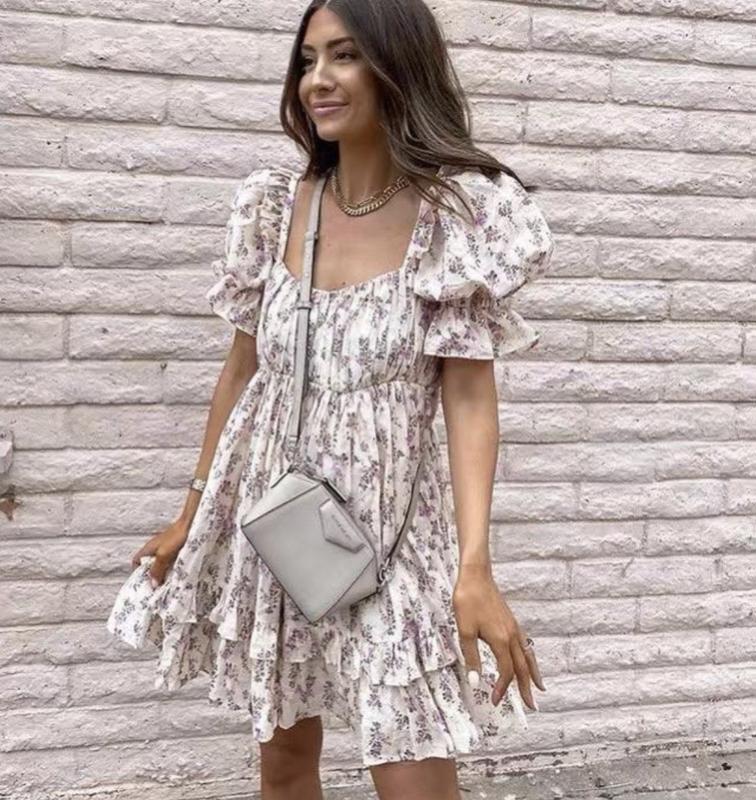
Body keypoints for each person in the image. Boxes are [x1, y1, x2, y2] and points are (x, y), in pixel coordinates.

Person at [106, 0, 554, 797]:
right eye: (307, 60)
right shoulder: (275, 208)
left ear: (396, 65)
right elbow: (242, 373)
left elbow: (469, 399)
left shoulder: (454, 221)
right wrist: (192, 510)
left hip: (392, 540)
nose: (318, 79)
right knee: (284, 766)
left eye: (344, 56)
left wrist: (475, 568)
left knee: (411, 773)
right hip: (283, 521)